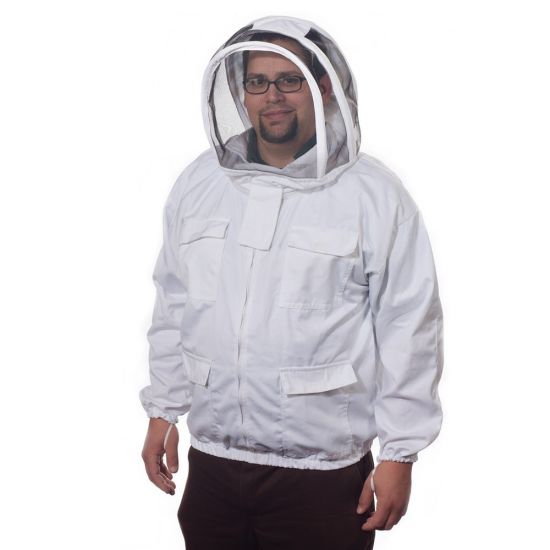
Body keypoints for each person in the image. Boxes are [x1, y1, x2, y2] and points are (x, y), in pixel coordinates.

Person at [139, 15, 444, 550]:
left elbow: (409, 325)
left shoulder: (373, 195)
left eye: (290, 79)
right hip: (212, 464)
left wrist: (400, 453)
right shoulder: (200, 183)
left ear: (323, 87)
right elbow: (175, 302)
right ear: (240, 93)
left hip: (322, 473)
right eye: (257, 82)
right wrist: (163, 411)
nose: (272, 96)